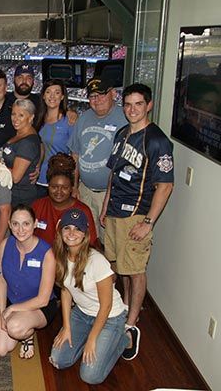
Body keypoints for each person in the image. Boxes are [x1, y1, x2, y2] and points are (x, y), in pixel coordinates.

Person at [100, 83, 174, 360]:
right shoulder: (121, 133)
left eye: (138, 104)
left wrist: (149, 222)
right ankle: (125, 307)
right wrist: (106, 204)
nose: (132, 110)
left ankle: (131, 325)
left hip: (136, 215)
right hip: (116, 211)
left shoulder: (157, 140)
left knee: (136, 271)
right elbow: (114, 172)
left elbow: (165, 185)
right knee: (120, 267)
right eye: (128, 104)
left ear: (149, 105)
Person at [49, 208, 129, 384]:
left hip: (110, 317)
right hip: (82, 313)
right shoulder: (59, 257)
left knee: (90, 376)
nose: (71, 233)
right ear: (60, 230)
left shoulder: (97, 261)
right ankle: (90, 337)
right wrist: (67, 327)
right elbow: (65, 291)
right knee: (58, 360)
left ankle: (123, 339)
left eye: (77, 229)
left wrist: (92, 339)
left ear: (85, 233)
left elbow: (106, 306)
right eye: (67, 227)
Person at [0, 205, 56, 360]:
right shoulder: (5, 245)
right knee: (1, 350)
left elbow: (43, 299)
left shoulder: (47, 254)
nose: (20, 229)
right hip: (12, 299)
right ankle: (19, 325)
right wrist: (2, 309)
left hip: (39, 305)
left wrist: (11, 310)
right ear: (9, 224)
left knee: (14, 328)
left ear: (35, 224)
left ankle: (28, 336)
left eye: (26, 223)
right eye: (15, 224)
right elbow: (1, 279)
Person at [68, 77, 126, 241]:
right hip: (84, 191)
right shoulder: (84, 118)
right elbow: (75, 154)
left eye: (102, 94)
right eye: (93, 96)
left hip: (110, 194)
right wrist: (74, 186)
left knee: (110, 243)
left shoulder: (125, 118)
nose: (97, 100)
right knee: (85, 240)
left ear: (113, 94)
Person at [32, 153, 99, 248]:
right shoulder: (38, 205)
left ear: (72, 188)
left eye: (65, 187)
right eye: (54, 187)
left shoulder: (82, 210)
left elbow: (91, 244)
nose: (59, 192)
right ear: (48, 186)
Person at [36, 79, 74, 197]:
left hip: (58, 182)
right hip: (37, 179)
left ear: (62, 96)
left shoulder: (69, 121)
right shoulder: (37, 119)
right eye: (48, 92)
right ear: (43, 95)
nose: (52, 96)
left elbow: (75, 154)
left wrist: (74, 184)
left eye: (57, 92)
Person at [0, 99, 41, 206]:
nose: (15, 119)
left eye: (21, 115)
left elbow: (15, 177)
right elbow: (41, 146)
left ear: (31, 117)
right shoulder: (19, 133)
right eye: (13, 114)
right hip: (10, 194)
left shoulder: (28, 142)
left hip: (20, 197)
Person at [11, 63, 42, 129]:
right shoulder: (4, 100)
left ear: (33, 81)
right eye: (20, 77)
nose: (24, 81)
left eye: (29, 78)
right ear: (14, 80)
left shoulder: (40, 102)